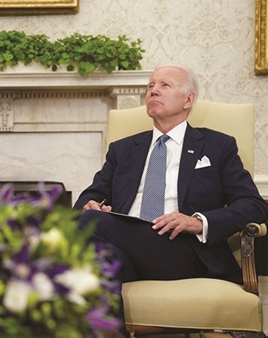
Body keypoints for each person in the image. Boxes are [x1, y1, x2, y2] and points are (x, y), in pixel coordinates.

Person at [74, 65, 268, 285]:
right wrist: (89, 205)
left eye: (164, 85)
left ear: (188, 100)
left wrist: (197, 222)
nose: (153, 91)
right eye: (150, 86)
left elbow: (253, 204)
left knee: (90, 226)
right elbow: (89, 196)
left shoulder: (217, 146)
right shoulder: (123, 149)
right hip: (127, 249)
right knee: (102, 260)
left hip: (182, 248)